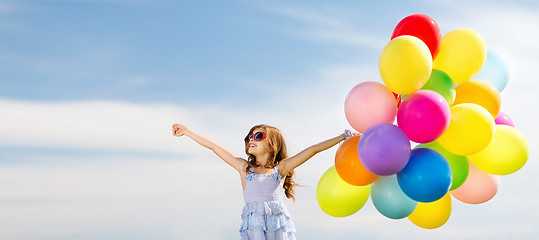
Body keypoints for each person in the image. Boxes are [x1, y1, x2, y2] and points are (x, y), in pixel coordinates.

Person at [172, 123, 354, 240]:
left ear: (271, 145)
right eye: (249, 136)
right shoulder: (244, 169)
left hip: (278, 230)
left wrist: (342, 137)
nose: (252, 139)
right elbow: (214, 147)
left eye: (258, 136)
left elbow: (313, 150)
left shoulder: (280, 169)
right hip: (254, 231)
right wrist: (187, 132)